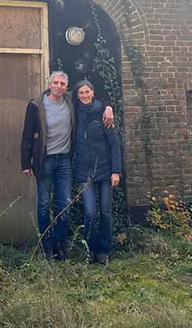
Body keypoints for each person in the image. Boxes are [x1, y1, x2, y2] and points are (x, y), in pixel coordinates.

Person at [21, 71, 113, 260]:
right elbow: (27, 136)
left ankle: (60, 243)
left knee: (65, 205)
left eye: (63, 84)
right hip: (44, 160)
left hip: (64, 161)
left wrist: (108, 106)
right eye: (55, 83)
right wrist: (25, 162)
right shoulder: (35, 106)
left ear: (66, 87)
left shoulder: (71, 101)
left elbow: (94, 98)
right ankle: (46, 247)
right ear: (49, 84)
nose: (59, 86)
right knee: (44, 204)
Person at [72, 79, 121, 265]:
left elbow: (114, 145)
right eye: (81, 93)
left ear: (93, 92)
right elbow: (55, 94)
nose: (84, 96)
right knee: (90, 213)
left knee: (106, 212)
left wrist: (116, 171)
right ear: (77, 96)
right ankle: (89, 249)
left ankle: (104, 251)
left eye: (87, 92)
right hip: (84, 172)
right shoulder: (74, 114)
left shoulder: (103, 114)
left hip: (105, 170)